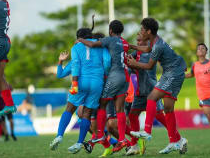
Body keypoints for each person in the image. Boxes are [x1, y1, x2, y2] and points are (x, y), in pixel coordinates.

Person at [127, 18, 188, 154]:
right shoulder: (155, 41)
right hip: (173, 71)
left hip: (173, 72)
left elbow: (149, 66)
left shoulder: (158, 45)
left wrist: (135, 64)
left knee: (152, 97)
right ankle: (175, 141)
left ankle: (147, 131)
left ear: (149, 31)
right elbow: (147, 48)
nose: (141, 31)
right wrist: (133, 46)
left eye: (142, 29)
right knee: (168, 109)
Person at [78, 20, 130, 154]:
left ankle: (100, 135)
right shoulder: (123, 42)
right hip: (124, 77)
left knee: (101, 105)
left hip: (113, 77)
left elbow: (92, 44)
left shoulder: (110, 40)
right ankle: (122, 139)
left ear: (111, 30)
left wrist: (81, 40)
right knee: (119, 110)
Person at [126, 34, 167, 156]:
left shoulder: (150, 53)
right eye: (137, 41)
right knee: (133, 116)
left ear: (147, 42)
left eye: (140, 41)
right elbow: (128, 62)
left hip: (151, 90)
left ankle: (177, 139)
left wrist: (132, 65)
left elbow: (140, 67)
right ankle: (134, 145)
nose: (138, 43)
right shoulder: (137, 53)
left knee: (160, 117)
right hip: (140, 91)